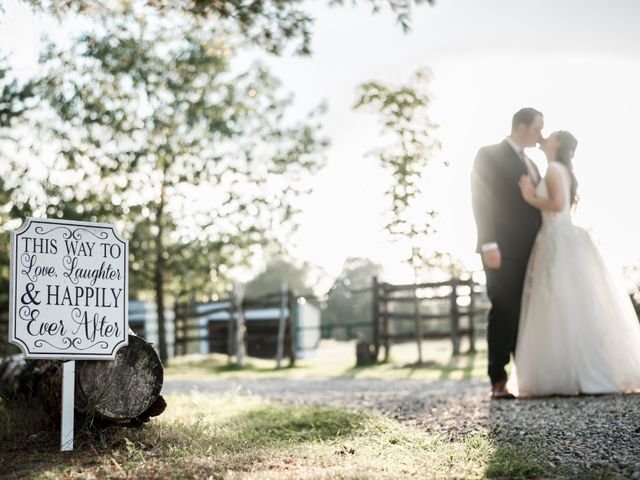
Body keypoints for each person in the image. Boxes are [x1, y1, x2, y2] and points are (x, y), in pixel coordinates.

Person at [514, 130, 640, 396]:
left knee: (559, 301)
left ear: (558, 144)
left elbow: (558, 205)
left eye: (551, 135)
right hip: (559, 236)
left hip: (556, 238)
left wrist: (530, 198)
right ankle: (573, 371)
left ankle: (571, 373)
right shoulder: (562, 170)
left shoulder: (553, 169)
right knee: (570, 303)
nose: (544, 137)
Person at [470, 107, 543, 399]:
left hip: (534, 249)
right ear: (522, 127)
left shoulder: (532, 163)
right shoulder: (489, 154)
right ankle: (497, 379)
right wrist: (488, 242)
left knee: (525, 311)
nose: (540, 136)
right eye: (538, 128)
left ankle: (523, 375)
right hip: (501, 247)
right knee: (503, 308)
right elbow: (481, 197)